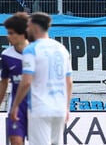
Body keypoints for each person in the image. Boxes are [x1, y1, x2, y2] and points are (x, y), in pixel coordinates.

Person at [10, 13, 72, 145]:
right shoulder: (61, 49)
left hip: (40, 108)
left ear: (33, 27)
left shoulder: (31, 49)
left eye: (28, 26)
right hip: (59, 108)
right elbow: (69, 82)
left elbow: (26, 82)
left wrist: (15, 106)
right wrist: (66, 108)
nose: (26, 30)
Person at [0, 13, 29, 145]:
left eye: (11, 33)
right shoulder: (6, 55)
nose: (8, 36)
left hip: (38, 106)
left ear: (22, 33)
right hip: (16, 107)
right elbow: (4, 83)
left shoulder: (38, 52)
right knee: (16, 141)